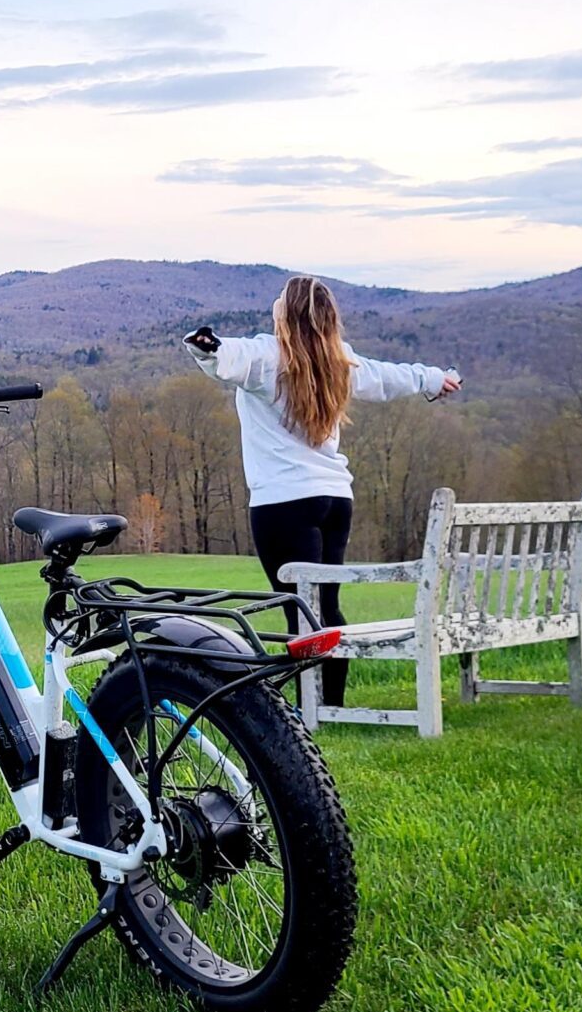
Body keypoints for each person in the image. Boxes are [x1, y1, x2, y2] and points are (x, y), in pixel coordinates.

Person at [185, 275, 461, 706]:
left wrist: (206, 346)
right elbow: (387, 378)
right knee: (325, 607)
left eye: (279, 302)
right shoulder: (339, 361)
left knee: (300, 611)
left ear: (286, 315)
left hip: (283, 504)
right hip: (335, 500)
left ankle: (311, 708)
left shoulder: (268, 357)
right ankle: (328, 702)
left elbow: (228, 356)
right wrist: (432, 379)